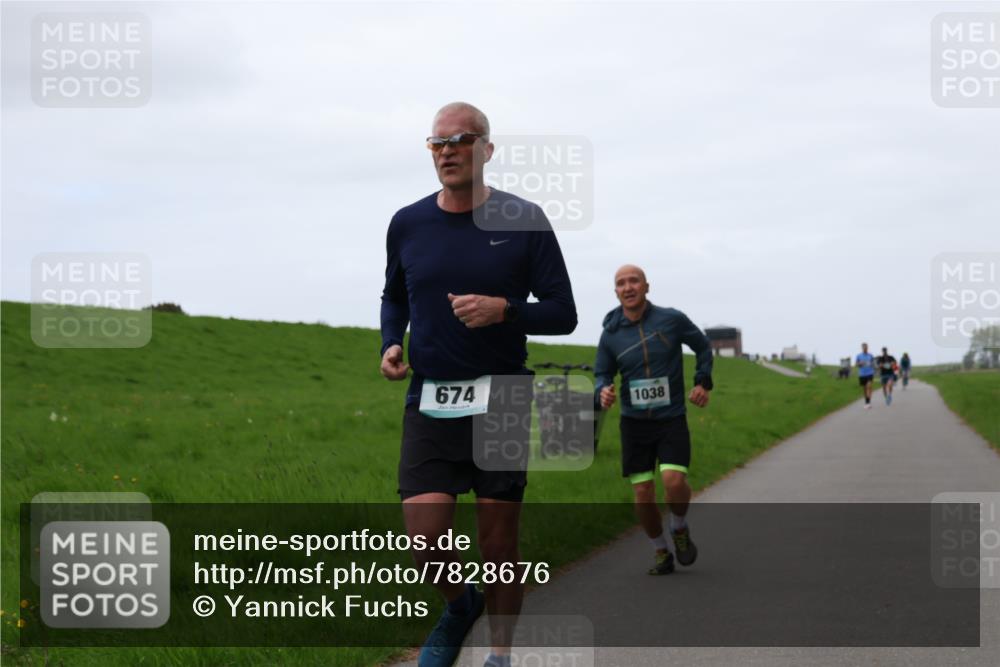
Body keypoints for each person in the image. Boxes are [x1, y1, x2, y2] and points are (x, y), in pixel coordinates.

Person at [380, 102, 577, 667]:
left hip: (504, 397)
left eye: (461, 139)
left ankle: (499, 655)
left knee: (498, 546)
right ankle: (461, 603)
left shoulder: (525, 219)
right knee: (423, 539)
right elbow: (394, 294)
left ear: (486, 149)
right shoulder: (408, 222)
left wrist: (505, 310)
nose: (447, 150)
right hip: (432, 393)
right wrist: (391, 342)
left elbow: (563, 313)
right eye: (437, 142)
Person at [593, 265, 713, 575]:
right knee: (643, 493)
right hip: (634, 423)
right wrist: (602, 391)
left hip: (670, 416)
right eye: (621, 283)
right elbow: (602, 372)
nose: (628, 287)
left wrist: (702, 382)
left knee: (673, 481)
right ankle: (661, 550)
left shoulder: (671, 320)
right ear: (616, 292)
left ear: (647, 286)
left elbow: (702, 346)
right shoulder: (611, 333)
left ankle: (679, 527)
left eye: (634, 281)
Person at [855, 342, 876, 409]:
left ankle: (868, 402)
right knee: (865, 389)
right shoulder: (859, 356)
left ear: (867, 348)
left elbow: (874, 364)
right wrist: (860, 363)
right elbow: (856, 364)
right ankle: (866, 401)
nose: (865, 348)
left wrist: (872, 365)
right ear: (862, 348)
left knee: (869, 386)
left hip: (870, 373)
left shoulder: (871, 355)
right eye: (864, 347)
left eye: (866, 347)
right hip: (862, 374)